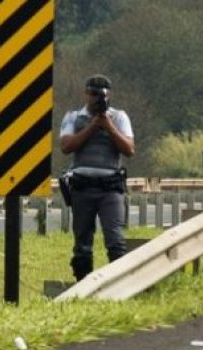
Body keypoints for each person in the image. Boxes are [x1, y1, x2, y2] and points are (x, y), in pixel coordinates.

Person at [59, 74, 135, 282]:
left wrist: (109, 127)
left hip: (110, 188)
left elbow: (129, 149)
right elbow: (66, 146)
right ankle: (83, 285)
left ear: (109, 95)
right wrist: (92, 126)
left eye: (100, 95)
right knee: (82, 244)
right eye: (92, 94)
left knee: (115, 240)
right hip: (82, 187)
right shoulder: (73, 118)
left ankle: (119, 285)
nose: (96, 99)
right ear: (85, 94)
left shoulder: (119, 117)